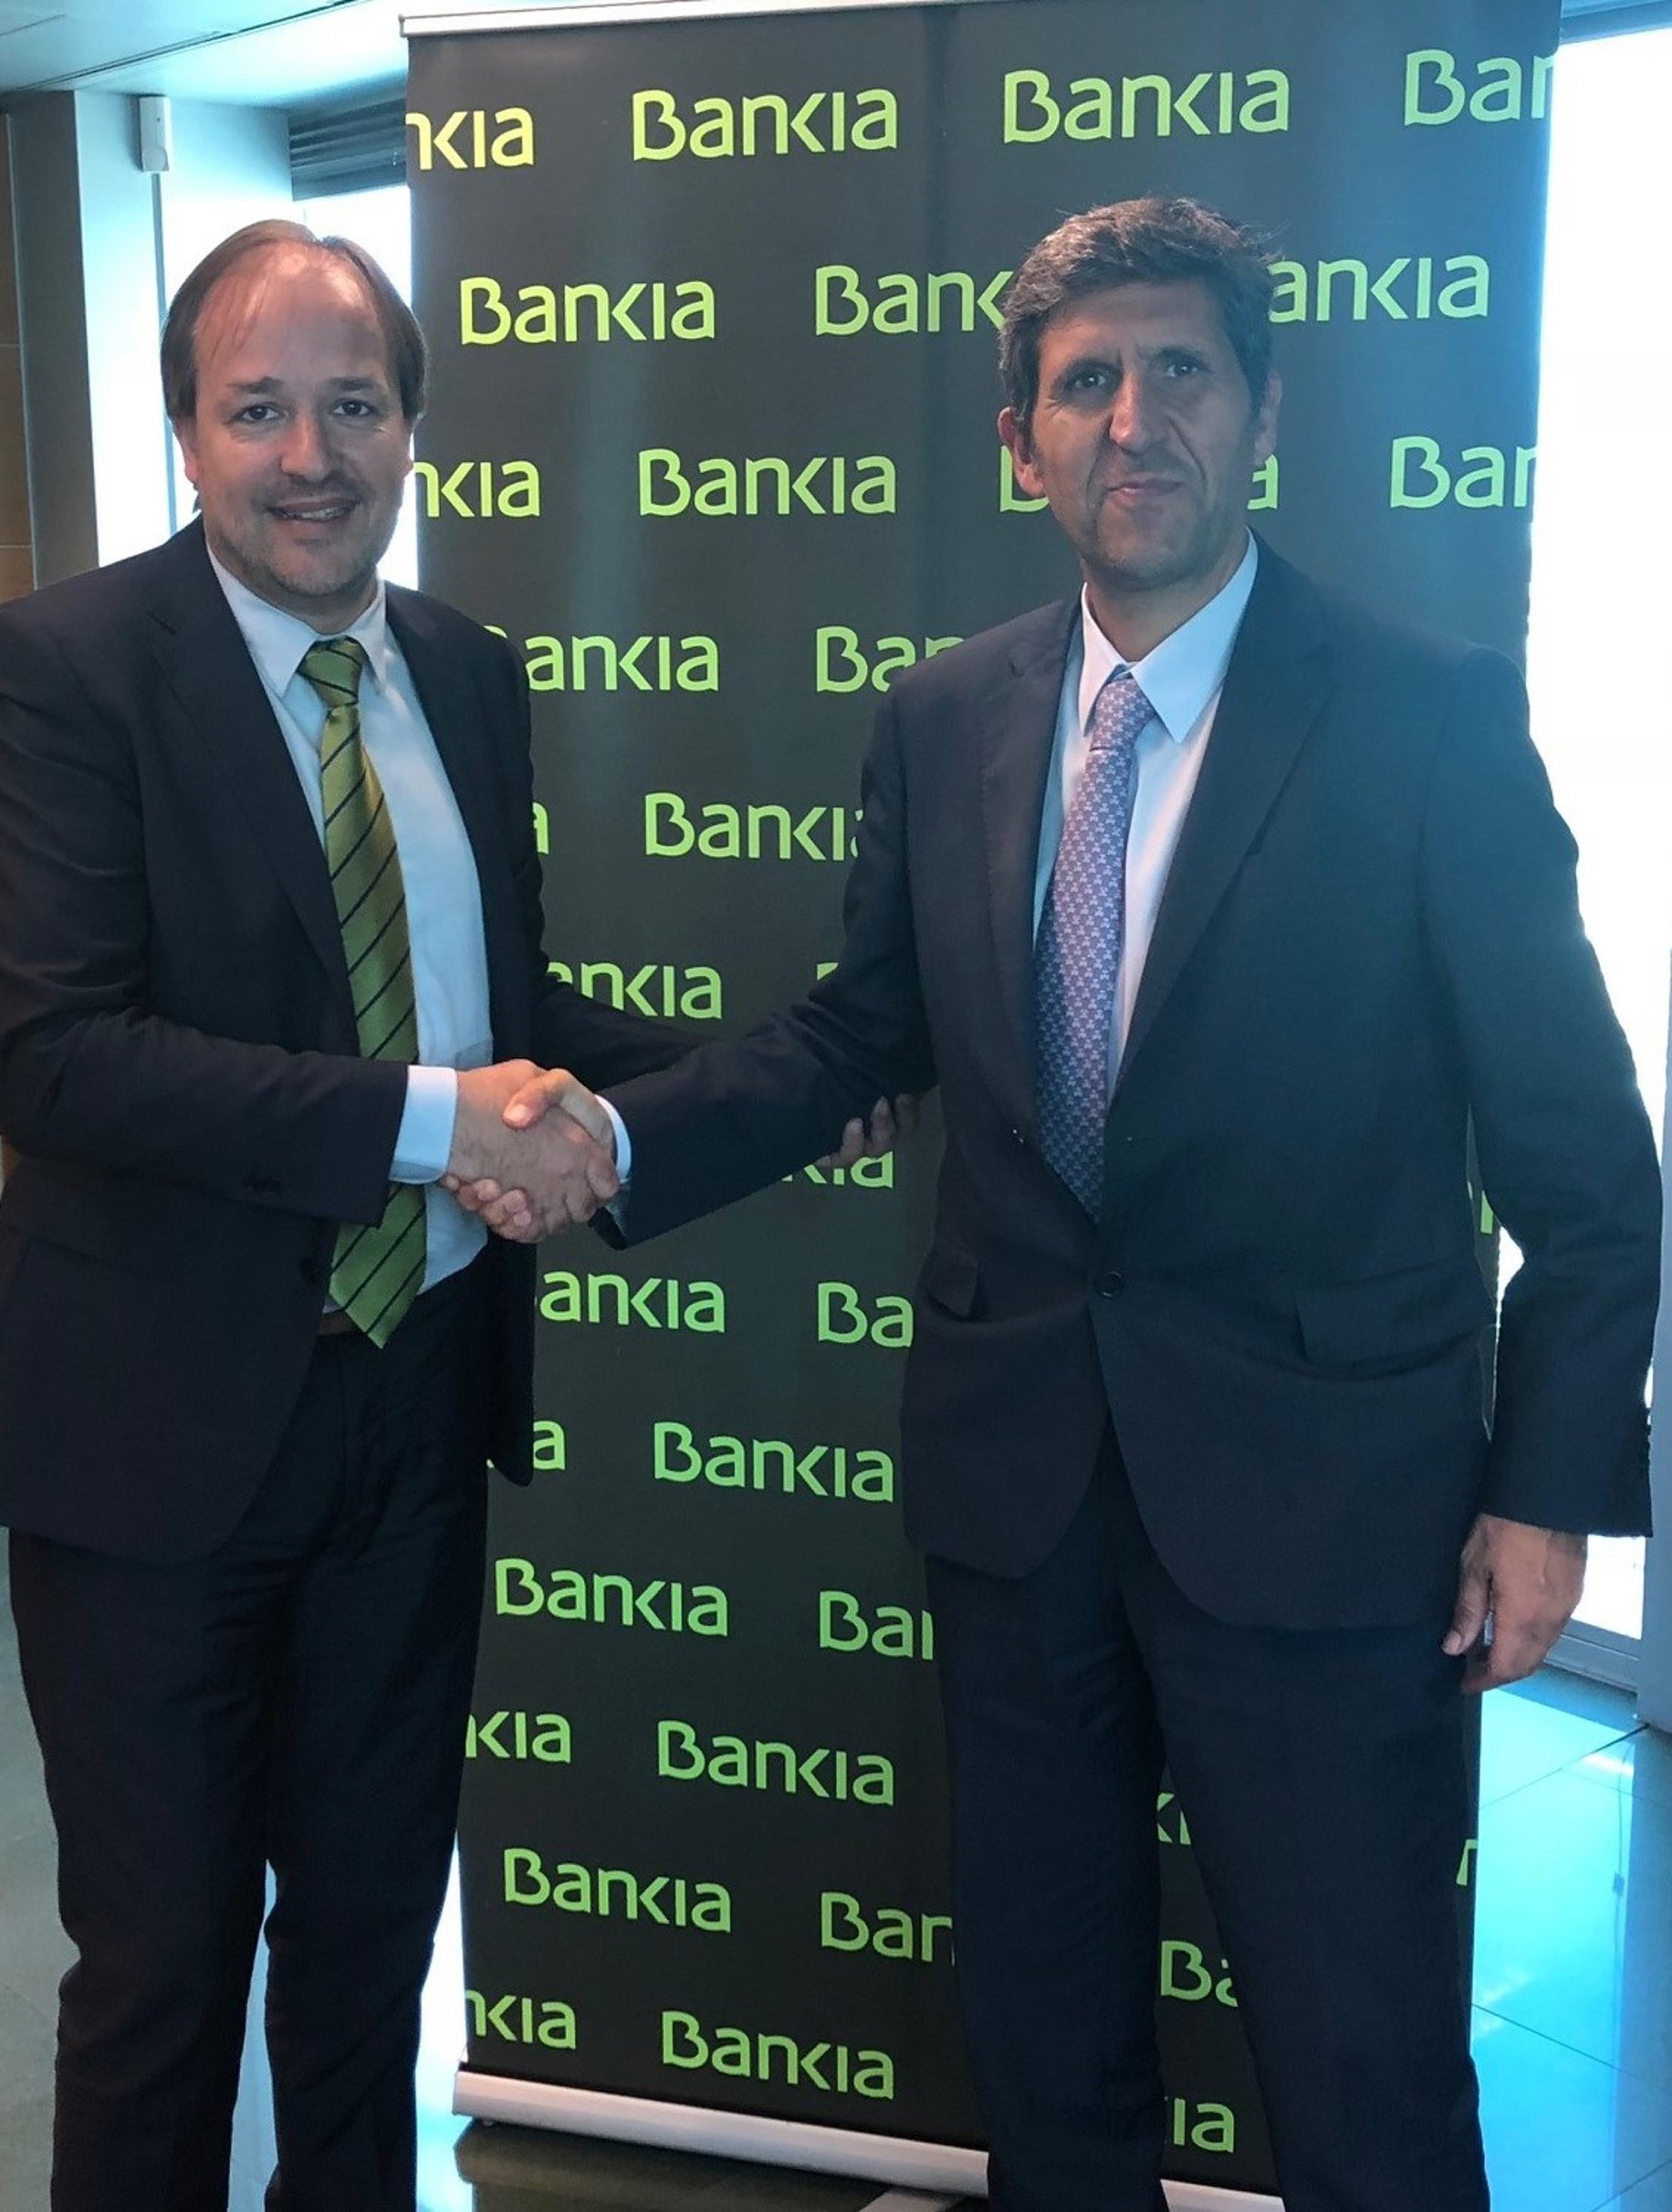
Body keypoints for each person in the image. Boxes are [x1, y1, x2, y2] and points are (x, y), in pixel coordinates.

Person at [470, 198, 1663, 2211]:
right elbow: (853, 1037)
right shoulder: (947, 715)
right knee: (1046, 2044)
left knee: (1361, 2064)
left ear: (1264, 410)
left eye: (1180, 369)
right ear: (1019, 437)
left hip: (1325, 1518)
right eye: (1085, 381)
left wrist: (1544, 1496)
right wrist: (611, 1140)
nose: (1134, 418)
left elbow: (1590, 1166)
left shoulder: (1424, 715)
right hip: (1018, 1502)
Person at [0, 218, 713, 2212]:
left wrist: (768, 1080)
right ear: (187, 433)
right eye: (258, 409)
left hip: (415, 1412)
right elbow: (67, 1060)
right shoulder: (53, 669)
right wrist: (449, 1123)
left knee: (370, 1955)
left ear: (411, 428)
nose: (311, 456)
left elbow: (497, 1017)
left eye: (353, 405)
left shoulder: (463, 670)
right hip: (154, 1441)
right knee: (164, 1976)